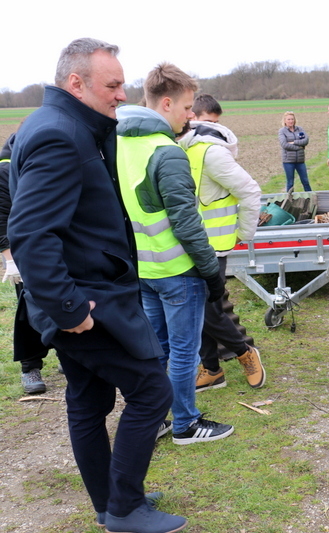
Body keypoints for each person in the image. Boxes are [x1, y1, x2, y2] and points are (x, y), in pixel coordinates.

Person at [7, 38, 186, 532]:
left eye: (122, 84)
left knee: (88, 398)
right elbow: (29, 233)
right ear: (76, 83)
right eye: (112, 85)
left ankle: (111, 501)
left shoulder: (55, 125)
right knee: (152, 390)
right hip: (84, 300)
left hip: (83, 293)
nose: (122, 95)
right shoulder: (59, 136)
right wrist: (69, 309)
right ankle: (124, 509)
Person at [116, 63, 234, 446]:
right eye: (186, 108)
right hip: (179, 272)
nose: (190, 116)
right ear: (166, 103)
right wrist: (211, 273)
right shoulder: (167, 152)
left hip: (144, 270)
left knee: (158, 351)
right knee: (184, 353)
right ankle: (185, 423)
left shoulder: (117, 143)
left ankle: (156, 418)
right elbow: (186, 224)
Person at [177, 94, 265, 392]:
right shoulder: (175, 150)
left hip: (213, 246)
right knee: (195, 309)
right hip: (187, 244)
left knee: (209, 311)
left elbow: (250, 191)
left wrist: (244, 232)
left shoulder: (211, 153)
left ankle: (244, 353)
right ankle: (212, 368)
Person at [1, 134, 53, 395]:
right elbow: (1, 216)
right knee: (29, 310)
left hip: (54, 246)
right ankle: (29, 367)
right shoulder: (5, 169)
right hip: (23, 254)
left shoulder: (45, 162)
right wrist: (10, 260)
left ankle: (71, 355)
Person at [279, 111, 311, 191]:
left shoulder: (300, 129)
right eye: (289, 119)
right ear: (285, 121)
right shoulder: (282, 131)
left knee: (305, 181)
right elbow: (284, 145)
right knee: (290, 183)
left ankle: (310, 198)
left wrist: (294, 142)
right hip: (288, 161)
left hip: (300, 161)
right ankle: (290, 201)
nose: (291, 121)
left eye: (292, 119)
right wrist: (299, 147)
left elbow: (306, 140)